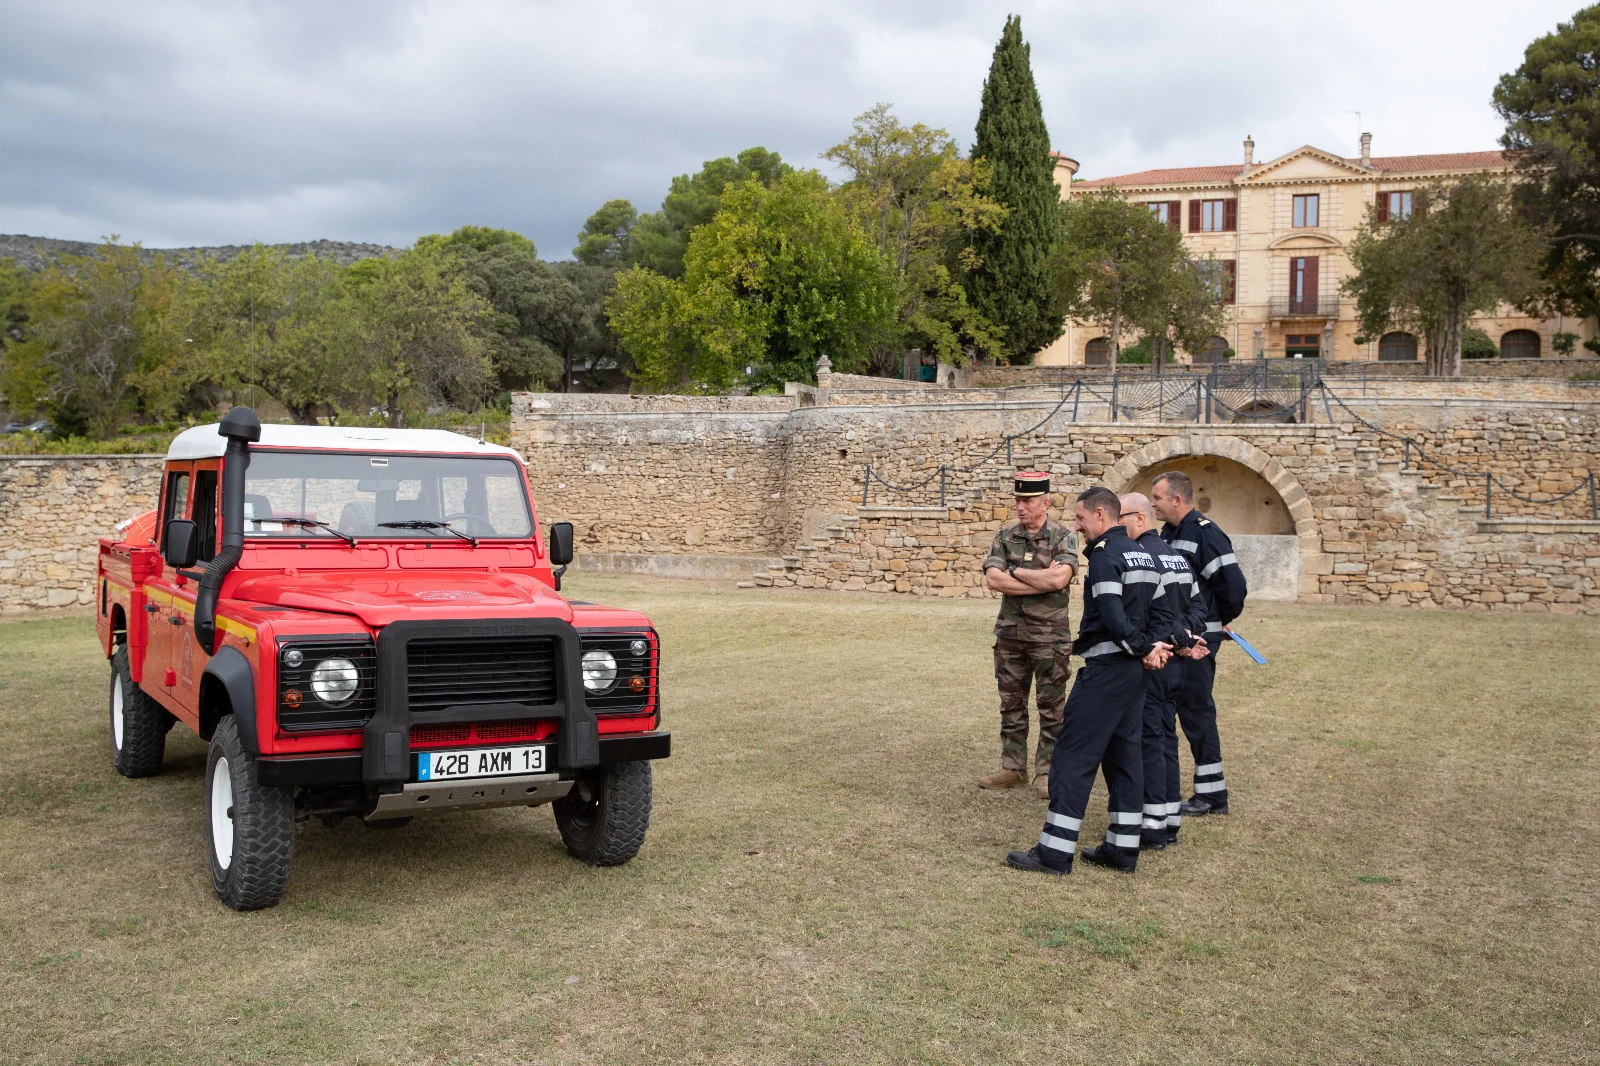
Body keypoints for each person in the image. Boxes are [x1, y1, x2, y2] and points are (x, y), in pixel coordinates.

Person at [1006, 485, 1169, 876]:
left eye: (1080, 518)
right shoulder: (1143, 553)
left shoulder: (1104, 555)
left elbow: (1113, 616)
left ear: (1100, 515)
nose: (1076, 526)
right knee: (1124, 758)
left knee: (1072, 756)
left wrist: (1141, 647)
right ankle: (1122, 848)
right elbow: (1163, 610)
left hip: (1109, 669)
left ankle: (1054, 852)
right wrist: (1153, 647)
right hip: (1134, 675)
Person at [1150, 471, 1248, 817]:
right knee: (1180, 711)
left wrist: (1215, 624)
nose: (1153, 503)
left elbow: (1233, 587)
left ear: (1177, 500)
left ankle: (1212, 795)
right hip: (1178, 637)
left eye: (1158, 498)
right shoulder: (1170, 532)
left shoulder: (1206, 533)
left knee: (1196, 711)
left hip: (1200, 638)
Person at [978, 472, 1079, 799]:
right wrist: (1039, 578)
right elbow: (994, 580)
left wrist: (1016, 571)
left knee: (1052, 708)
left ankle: (1047, 772)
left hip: (1050, 639)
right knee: (1011, 704)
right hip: (1010, 636)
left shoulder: (1064, 537)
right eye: (1018, 500)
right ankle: (1013, 768)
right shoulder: (1004, 535)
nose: (1020, 506)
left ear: (1045, 502)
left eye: (1028, 501)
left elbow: (1058, 580)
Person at [1119, 492, 1207, 849]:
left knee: (1149, 741)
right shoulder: (1179, 558)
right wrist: (1185, 638)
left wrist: (1171, 640)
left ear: (1139, 519)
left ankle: (1153, 826)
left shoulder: (1143, 557)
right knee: (1166, 738)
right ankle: (1169, 819)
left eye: (1119, 517)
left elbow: (1155, 615)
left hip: (1156, 660)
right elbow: (1199, 605)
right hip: (1179, 663)